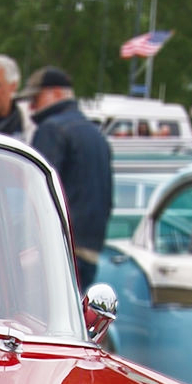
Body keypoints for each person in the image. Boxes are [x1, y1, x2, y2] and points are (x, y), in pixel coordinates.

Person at [19, 67, 111, 290]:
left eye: (35, 98)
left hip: (58, 251)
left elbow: (36, 195)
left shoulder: (52, 130)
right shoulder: (96, 135)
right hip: (90, 250)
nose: (31, 107)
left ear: (56, 94)